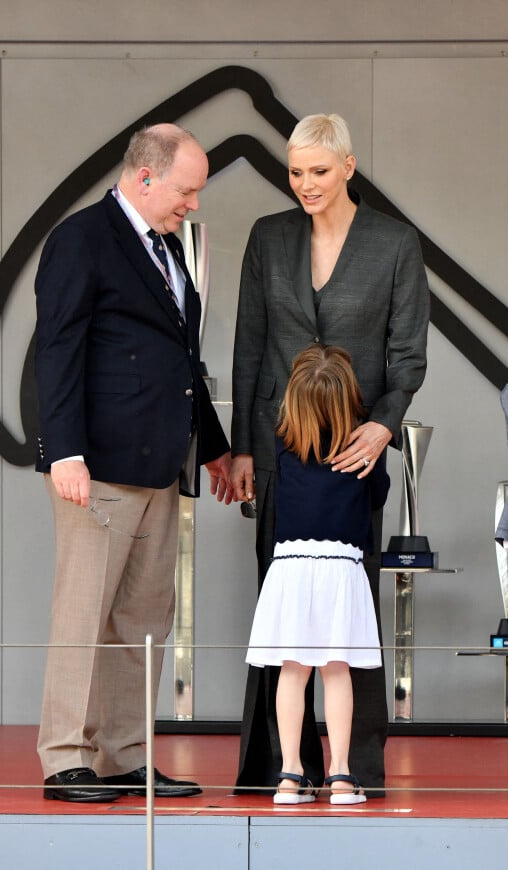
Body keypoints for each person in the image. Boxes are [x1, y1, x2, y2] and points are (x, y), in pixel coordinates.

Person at [231, 113, 430, 795]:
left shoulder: (395, 242)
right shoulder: (267, 237)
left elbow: (407, 356)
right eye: (295, 172)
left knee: (353, 614)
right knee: (280, 613)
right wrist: (244, 453)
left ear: (348, 166)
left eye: (319, 171)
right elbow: (249, 346)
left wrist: (383, 428)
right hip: (282, 453)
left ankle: (353, 768)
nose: (305, 184)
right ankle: (280, 768)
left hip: (356, 456)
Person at [34, 123, 231, 802]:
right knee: (83, 613)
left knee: (144, 619)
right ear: (145, 176)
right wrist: (62, 450)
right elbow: (55, 351)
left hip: (160, 467)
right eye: (187, 190)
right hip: (98, 467)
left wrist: (218, 448)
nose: (194, 205)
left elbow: (182, 361)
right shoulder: (81, 238)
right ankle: (66, 758)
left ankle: (123, 755)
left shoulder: (170, 249)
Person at [246, 344, 390, 804]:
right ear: (349, 395)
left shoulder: (285, 442)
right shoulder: (364, 447)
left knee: (293, 671)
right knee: (337, 671)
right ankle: (342, 776)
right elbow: (379, 495)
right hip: (340, 570)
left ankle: (290, 776)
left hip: (290, 568)